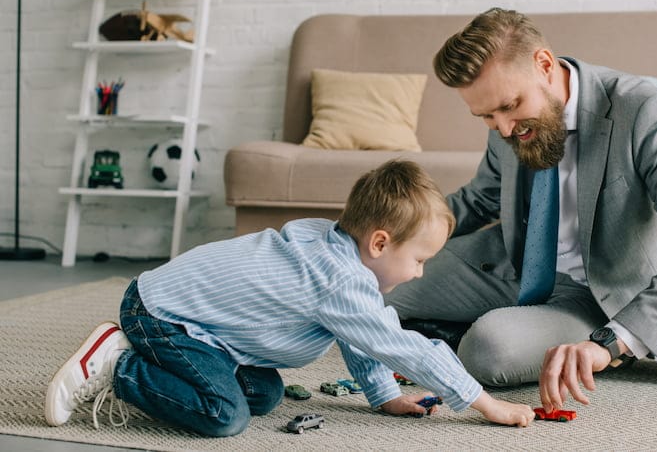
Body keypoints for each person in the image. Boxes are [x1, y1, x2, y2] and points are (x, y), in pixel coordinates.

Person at [384, 8, 657, 413]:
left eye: (509, 106)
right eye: (485, 116)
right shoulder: (507, 120)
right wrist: (381, 236)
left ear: (544, 63)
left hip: (602, 292)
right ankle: (478, 323)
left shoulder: (644, 111)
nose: (503, 128)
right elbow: (481, 199)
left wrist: (612, 342)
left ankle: (531, 335)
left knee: (488, 350)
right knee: (377, 279)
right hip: (518, 267)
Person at [45, 159, 534, 436]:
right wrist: (483, 403)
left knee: (266, 394)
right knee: (224, 416)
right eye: (420, 259)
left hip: (202, 325)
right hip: (161, 314)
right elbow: (399, 344)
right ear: (379, 243)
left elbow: (361, 335)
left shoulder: (335, 247)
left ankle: (144, 361)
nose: (420, 272)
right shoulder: (338, 279)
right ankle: (117, 367)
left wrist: (384, 395)